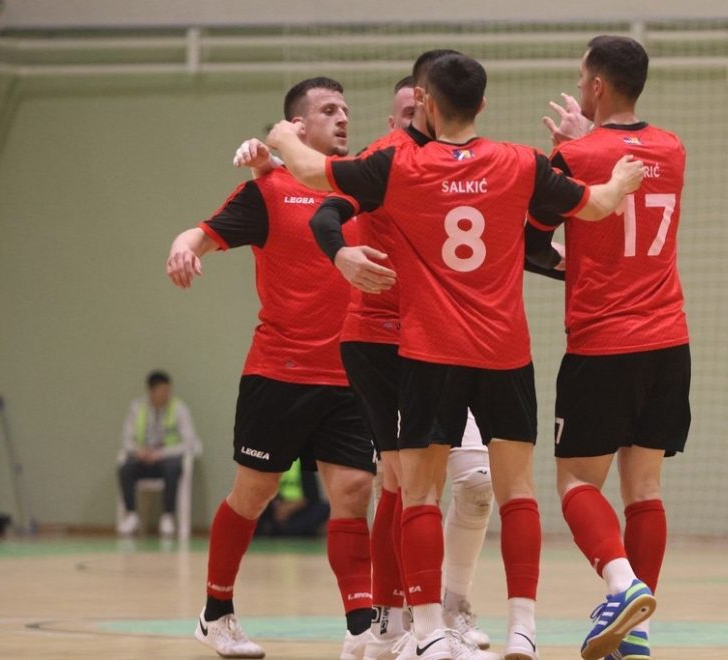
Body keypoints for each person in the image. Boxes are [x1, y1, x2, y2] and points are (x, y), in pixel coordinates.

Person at [267, 52, 643, 660]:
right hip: (504, 353)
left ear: (426, 103)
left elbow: (312, 174)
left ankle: (430, 631)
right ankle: (523, 629)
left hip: (431, 351)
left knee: (418, 492)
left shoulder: (401, 165)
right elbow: (597, 204)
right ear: (483, 105)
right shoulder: (520, 162)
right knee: (516, 491)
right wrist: (622, 179)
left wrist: (282, 134)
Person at [235, 61, 496, 657]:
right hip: (380, 346)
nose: (414, 120)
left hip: (448, 343)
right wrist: (339, 252)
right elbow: (323, 202)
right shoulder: (384, 161)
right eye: (405, 113)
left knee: (472, 483)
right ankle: (393, 623)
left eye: (421, 111)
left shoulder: (464, 169)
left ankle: (447, 609)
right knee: (400, 483)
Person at [166, 76, 378, 660]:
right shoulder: (268, 190)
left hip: (349, 374)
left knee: (354, 491)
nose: (342, 117)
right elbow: (201, 234)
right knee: (253, 495)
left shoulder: (359, 185)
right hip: (279, 371)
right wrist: (184, 247)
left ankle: (361, 625)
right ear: (296, 126)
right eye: (328, 110)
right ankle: (216, 613)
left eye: (345, 108)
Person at [527, 36, 691, 660]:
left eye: (581, 78)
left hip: (602, 343)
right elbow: (621, 161)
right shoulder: (672, 148)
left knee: (575, 482)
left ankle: (624, 589)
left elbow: (531, 243)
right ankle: (637, 634)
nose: (578, 85)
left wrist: (568, 150)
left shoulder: (575, 156)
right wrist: (585, 140)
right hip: (669, 342)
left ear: (596, 85)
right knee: (644, 489)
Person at [117, 369, 199, 538]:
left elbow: (189, 442)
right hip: (142, 459)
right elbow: (126, 440)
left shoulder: (179, 409)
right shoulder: (137, 408)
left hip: (166, 460)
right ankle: (131, 514)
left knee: (172, 468)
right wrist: (139, 451)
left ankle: (167, 516)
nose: (165, 395)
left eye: (168, 390)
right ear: (151, 391)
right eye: (161, 391)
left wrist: (161, 453)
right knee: (125, 468)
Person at [255, 458, 330, 537]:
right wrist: (278, 507)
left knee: (325, 508)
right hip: (275, 509)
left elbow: (312, 496)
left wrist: (290, 507)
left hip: (299, 510)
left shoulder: (304, 464)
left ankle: (283, 529)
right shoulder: (271, 462)